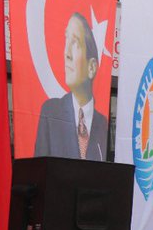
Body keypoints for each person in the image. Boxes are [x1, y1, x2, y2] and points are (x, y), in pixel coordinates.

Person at [33, 12, 109, 160]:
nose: (66, 53)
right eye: (66, 39)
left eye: (75, 42)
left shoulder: (103, 124)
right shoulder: (51, 112)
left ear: (92, 67)